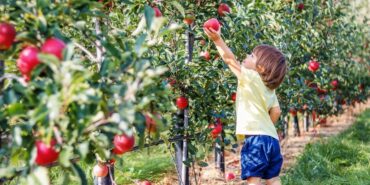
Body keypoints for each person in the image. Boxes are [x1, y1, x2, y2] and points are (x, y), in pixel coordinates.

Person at [204, 26, 287, 185]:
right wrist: (266, 126)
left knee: (253, 179)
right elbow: (276, 111)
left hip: (256, 140)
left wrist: (217, 40)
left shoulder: (250, 77)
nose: (247, 56)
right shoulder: (270, 89)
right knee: (273, 178)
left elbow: (230, 60)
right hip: (272, 140)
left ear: (261, 67)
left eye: (252, 55)